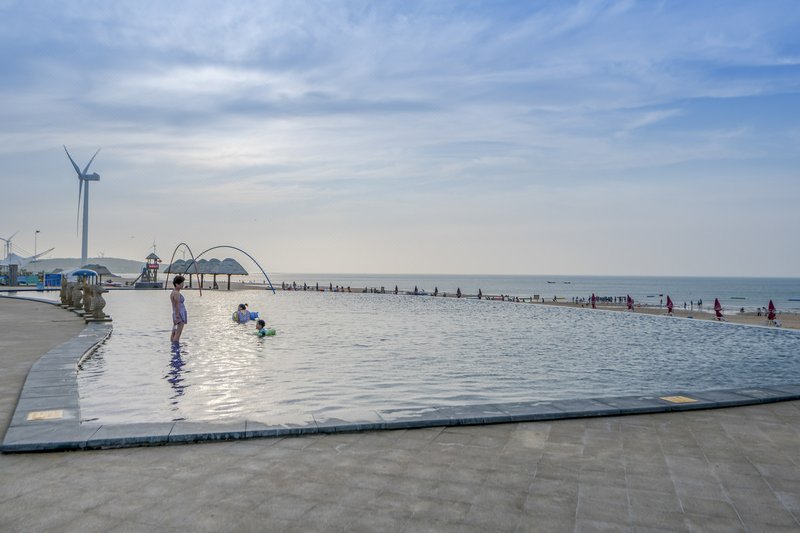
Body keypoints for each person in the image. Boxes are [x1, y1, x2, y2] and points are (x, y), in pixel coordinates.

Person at [170, 275, 187, 343]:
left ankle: (173, 346)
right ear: (177, 284)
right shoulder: (176, 293)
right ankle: (176, 347)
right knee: (177, 334)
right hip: (179, 314)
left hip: (176, 314)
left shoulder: (173, 292)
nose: (183, 284)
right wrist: (177, 316)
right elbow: (177, 305)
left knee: (174, 332)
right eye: (181, 283)